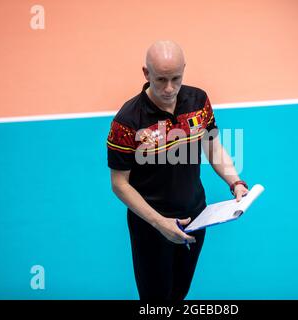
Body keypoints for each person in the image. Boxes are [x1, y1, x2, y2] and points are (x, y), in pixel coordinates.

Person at [106, 40, 248, 301]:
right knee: (156, 300)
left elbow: (212, 144)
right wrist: (161, 224)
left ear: (184, 70)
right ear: (146, 74)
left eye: (176, 78)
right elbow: (119, 184)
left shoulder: (198, 100)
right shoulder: (127, 121)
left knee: (179, 293)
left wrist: (235, 182)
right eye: (160, 79)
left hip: (197, 217)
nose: (169, 88)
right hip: (151, 226)